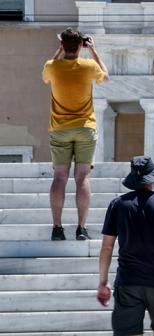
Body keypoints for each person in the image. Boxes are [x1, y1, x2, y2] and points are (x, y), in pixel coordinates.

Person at [97, 156, 154, 336]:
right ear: (153, 178)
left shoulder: (118, 204)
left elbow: (107, 246)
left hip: (128, 281)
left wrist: (103, 281)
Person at [42, 28, 109, 241]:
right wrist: (93, 50)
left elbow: (46, 76)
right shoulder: (89, 66)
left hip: (60, 129)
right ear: (81, 45)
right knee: (82, 178)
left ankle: (57, 227)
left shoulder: (52, 66)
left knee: (59, 177)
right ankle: (81, 228)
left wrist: (59, 51)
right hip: (85, 128)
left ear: (62, 45)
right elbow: (105, 76)